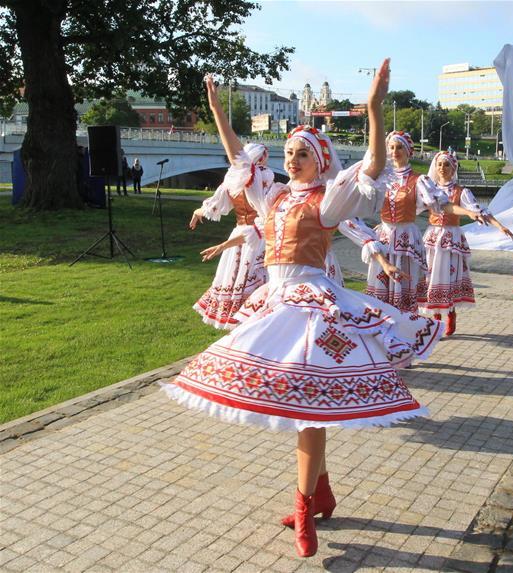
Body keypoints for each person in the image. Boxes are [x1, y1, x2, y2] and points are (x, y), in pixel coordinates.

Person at [163, 61, 443, 559]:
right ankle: (321, 492)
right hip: (274, 301)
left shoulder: (327, 200)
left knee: (310, 408)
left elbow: (373, 167)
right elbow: (236, 159)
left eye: (302, 154)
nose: (292, 160)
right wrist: (216, 111)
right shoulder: (271, 197)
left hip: (313, 303)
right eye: (288, 152)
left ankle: (304, 507)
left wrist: (375, 108)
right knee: (300, 405)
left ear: (320, 161)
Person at [365, 130, 482, 312]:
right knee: (381, 284)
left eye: (400, 147)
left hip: (406, 237)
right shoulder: (382, 177)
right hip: (385, 236)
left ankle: (406, 327)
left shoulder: (419, 180)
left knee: (404, 285)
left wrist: (469, 212)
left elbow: (443, 205)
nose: (395, 151)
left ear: (408, 151)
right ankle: (382, 328)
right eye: (392, 147)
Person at [420, 151, 513, 336]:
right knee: (431, 277)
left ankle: (451, 312)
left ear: (453, 168)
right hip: (432, 237)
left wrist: (499, 226)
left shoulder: (461, 192)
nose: (442, 168)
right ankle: (437, 318)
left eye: (446, 165)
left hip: (451, 238)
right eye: (439, 164)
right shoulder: (429, 190)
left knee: (448, 276)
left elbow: (478, 210)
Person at [189, 143, 271, 329]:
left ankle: (243, 321)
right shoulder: (264, 176)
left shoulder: (232, 180)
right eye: (265, 156)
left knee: (238, 280)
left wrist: (198, 211)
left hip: (239, 231)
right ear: (261, 157)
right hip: (258, 234)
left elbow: (216, 206)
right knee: (260, 281)